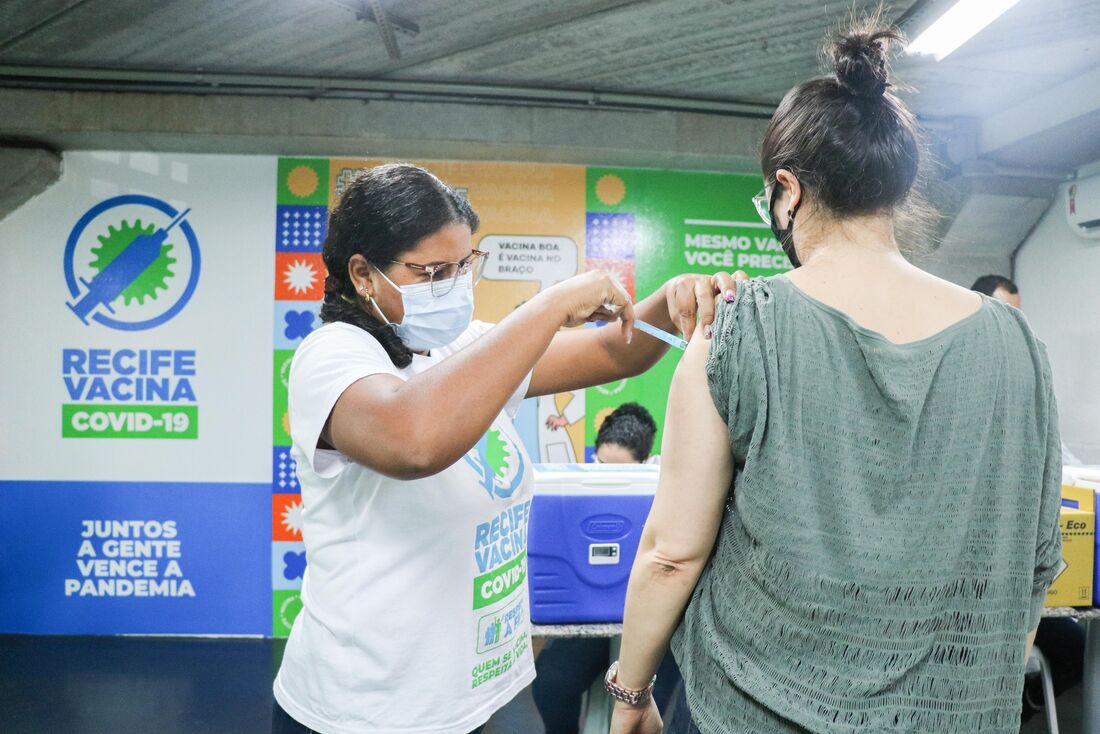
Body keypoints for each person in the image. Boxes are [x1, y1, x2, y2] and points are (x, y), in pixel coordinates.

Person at [608, 22, 1064, 734]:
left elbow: (671, 555)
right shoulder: (1016, 344)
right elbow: (1037, 559)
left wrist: (631, 696)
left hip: (756, 712)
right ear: (894, 190)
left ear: (787, 192)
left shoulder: (737, 330)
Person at [270, 163, 740, 734]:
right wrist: (547, 309)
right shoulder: (332, 356)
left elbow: (613, 354)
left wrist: (670, 301)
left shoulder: (460, 348)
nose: (453, 285)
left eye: (463, 266)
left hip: (470, 699)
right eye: (432, 271)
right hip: (362, 712)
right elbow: (414, 442)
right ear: (364, 274)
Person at [970, 274, 1086, 721]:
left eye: (1018, 311)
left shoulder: (1025, 370)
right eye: (1005, 309)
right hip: (975, 583)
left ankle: (1024, 704)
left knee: (1074, 647)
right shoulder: (959, 373)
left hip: (1016, 579)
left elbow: (1056, 460)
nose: (1014, 322)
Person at [532, 403, 678, 733]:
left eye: (621, 471)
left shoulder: (667, 489)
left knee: (651, 711)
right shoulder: (574, 490)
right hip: (594, 612)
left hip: (655, 625)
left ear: (645, 463)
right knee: (550, 685)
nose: (606, 476)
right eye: (600, 464)